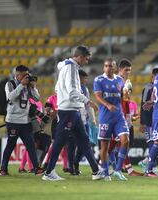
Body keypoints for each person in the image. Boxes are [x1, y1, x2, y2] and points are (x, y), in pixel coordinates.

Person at [42, 45, 101, 181]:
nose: (86, 62)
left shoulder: (65, 67)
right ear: (80, 57)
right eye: (86, 59)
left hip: (72, 110)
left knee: (84, 141)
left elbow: (59, 88)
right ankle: (49, 172)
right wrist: (87, 101)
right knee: (59, 142)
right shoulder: (71, 68)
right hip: (68, 111)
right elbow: (72, 91)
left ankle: (96, 171)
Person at [0, 65, 44, 176]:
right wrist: (21, 85)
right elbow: (11, 97)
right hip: (13, 121)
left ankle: (36, 168)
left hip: (25, 121)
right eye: (24, 75)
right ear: (17, 75)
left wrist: (33, 87)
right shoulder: (10, 84)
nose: (26, 77)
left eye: (27, 75)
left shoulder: (28, 86)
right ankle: (3, 169)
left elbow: (37, 98)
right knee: (10, 145)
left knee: (31, 145)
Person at [94, 58, 131, 181]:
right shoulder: (99, 80)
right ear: (104, 67)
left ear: (115, 68)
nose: (108, 68)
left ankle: (118, 170)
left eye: (110, 66)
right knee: (104, 147)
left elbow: (123, 98)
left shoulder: (119, 80)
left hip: (118, 116)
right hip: (105, 117)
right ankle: (104, 171)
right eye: (106, 66)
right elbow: (98, 97)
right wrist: (107, 105)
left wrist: (127, 93)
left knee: (125, 140)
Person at [138, 67, 158, 175]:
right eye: (156, 76)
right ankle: (153, 168)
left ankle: (146, 161)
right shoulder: (148, 88)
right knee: (153, 144)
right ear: (152, 76)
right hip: (149, 121)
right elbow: (143, 105)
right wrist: (143, 122)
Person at [43, 93, 70, 173]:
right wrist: (52, 111)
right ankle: (46, 163)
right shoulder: (52, 98)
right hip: (56, 123)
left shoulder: (66, 96)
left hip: (65, 121)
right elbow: (47, 108)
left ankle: (65, 166)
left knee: (65, 144)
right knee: (54, 144)